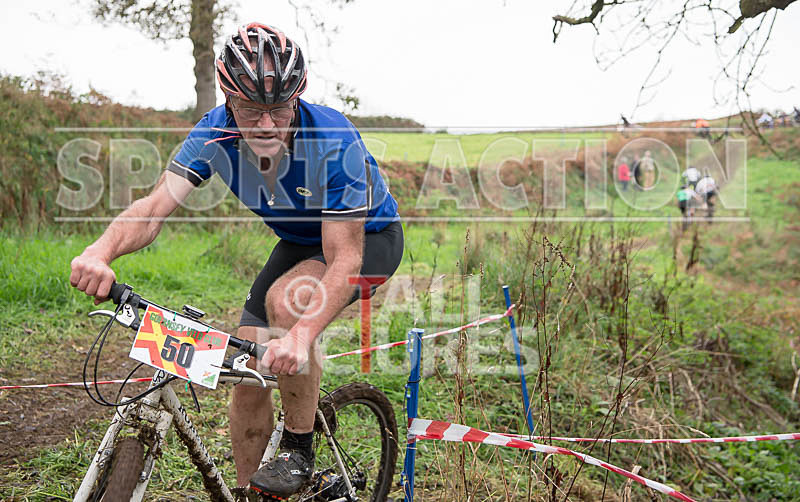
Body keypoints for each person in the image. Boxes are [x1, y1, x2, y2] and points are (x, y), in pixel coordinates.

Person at [69, 22, 403, 499]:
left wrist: (301, 335)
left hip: (367, 238)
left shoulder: (332, 139)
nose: (267, 125)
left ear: (298, 98)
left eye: (279, 109)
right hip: (298, 242)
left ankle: (298, 447)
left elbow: (343, 254)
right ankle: (252, 492)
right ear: (228, 99)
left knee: (288, 309)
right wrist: (99, 253)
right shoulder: (214, 134)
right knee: (249, 374)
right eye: (251, 110)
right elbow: (154, 208)